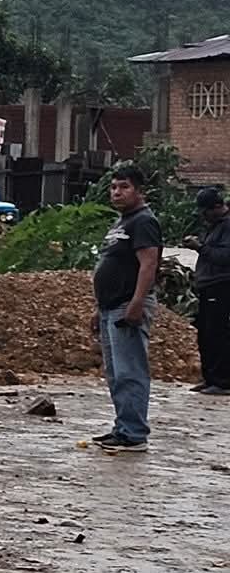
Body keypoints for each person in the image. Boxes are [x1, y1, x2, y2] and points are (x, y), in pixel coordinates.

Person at [91, 164, 163, 453]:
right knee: (116, 373)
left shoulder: (143, 221)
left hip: (127, 306)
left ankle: (134, 434)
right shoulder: (121, 222)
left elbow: (148, 264)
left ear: (139, 191)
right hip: (110, 307)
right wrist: (99, 307)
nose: (117, 192)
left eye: (124, 187)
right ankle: (123, 427)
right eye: (114, 187)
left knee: (130, 370)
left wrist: (136, 302)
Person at [193, 185, 230, 395]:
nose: (203, 215)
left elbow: (225, 257)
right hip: (208, 286)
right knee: (205, 333)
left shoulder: (227, 226)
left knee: (218, 333)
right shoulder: (214, 226)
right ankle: (209, 378)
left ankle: (223, 381)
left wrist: (199, 247)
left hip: (221, 286)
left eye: (206, 210)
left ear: (217, 207)